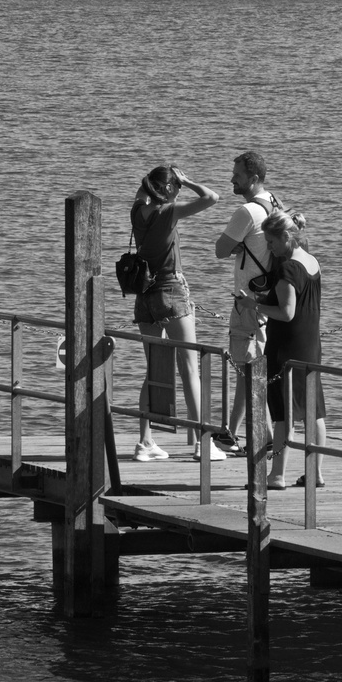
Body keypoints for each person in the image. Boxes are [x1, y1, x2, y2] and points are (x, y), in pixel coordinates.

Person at [129, 165, 219, 462]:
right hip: (171, 291)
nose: (179, 191)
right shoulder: (168, 212)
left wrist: (162, 182)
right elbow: (211, 197)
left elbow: (143, 193)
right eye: (176, 187)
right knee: (190, 367)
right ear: (168, 189)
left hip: (145, 296)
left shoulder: (137, 212)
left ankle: (145, 443)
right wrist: (189, 180)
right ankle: (202, 444)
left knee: (154, 369)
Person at [240, 209, 325, 489]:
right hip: (310, 344)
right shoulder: (312, 262)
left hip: (286, 346)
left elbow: (286, 312)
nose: (269, 247)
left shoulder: (288, 267)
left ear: (286, 237)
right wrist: (266, 298)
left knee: (282, 414)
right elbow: (298, 301)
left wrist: (253, 305)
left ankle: (277, 474)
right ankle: (315, 472)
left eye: (271, 241)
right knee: (314, 412)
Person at [213, 151, 283, 454]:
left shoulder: (247, 212)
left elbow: (219, 249)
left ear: (253, 178)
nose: (232, 179)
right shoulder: (275, 204)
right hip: (271, 298)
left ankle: (262, 436)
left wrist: (238, 245)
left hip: (248, 302)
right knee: (248, 366)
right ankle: (233, 432)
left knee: (247, 366)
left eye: (237, 175)